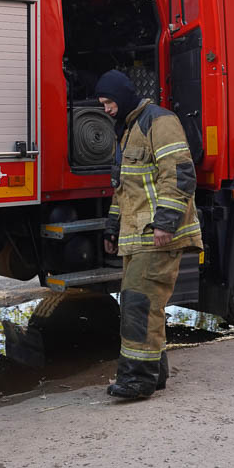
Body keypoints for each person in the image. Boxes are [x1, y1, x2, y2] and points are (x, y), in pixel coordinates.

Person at [94, 69, 203, 400]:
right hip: (138, 236)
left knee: (138, 303)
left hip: (157, 236)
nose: (106, 110)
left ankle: (136, 380)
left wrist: (165, 224)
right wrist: (112, 227)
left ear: (124, 97)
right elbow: (123, 191)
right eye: (102, 104)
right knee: (144, 304)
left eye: (109, 102)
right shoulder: (128, 131)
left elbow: (180, 174)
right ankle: (154, 374)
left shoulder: (159, 122)